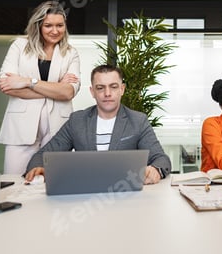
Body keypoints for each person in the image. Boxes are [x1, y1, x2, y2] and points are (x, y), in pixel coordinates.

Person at [25, 65, 171, 185]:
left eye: (113, 87)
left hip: (125, 195)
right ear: (92, 91)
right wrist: (39, 168)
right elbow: (41, 156)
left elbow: (161, 159)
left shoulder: (138, 121)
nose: (107, 93)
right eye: (100, 88)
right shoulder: (77, 121)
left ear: (122, 89)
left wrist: (155, 170)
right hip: (85, 195)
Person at [0, 1, 81, 175]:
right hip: (20, 127)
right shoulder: (19, 46)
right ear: (38, 26)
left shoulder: (70, 52)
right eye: (48, 25)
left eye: (60, 25)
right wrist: (55, 88)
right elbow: (8, 86)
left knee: (53, 180)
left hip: (58, 126)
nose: (55, 31)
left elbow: (68, 92)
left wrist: (28, 81)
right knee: (15, 181)